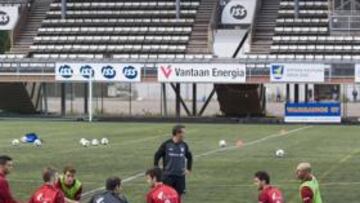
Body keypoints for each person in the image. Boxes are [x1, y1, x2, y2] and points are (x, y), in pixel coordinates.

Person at [154, 125, 193, 196]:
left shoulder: (184, 145)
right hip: (168, 176)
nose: (185, 134)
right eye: (183, 133)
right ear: (178, 133)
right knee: (167, 197)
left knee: (178, 197)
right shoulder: (166, 144)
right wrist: (157, 168)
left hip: (180, 176)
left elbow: (189, 156)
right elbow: (157, 155)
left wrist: (188, 169)